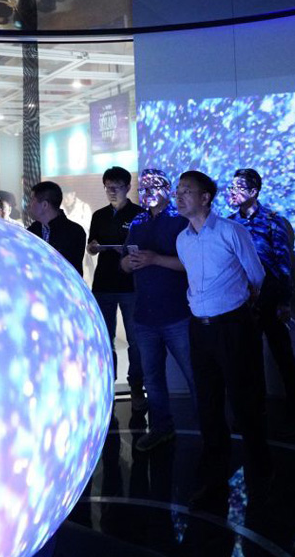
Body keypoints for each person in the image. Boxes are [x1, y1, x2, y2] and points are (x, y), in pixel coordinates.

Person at [176, 170, 270, 505]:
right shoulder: (182, 239)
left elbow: (257, 275)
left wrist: (241, 305)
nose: (179, 196)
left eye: (187, 191)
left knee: (245, 401)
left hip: (232, 325)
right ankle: (214, 475)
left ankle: (261, 471)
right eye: (178, 190)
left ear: (205, 198)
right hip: (199, 328)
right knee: (208, 403)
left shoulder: (231, 231)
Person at [121, 169, 196, 454]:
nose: (147, 192)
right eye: (143, 188)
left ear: (168, 189)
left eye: (154, 187)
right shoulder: (138, 221)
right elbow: (124, 262)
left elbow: (193, 263)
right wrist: (128, 264)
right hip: (145, 316)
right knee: (152, 378)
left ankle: (213, 430)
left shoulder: (181, 220)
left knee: (195, 374)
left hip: (177, 313)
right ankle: (161, 428)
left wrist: (156, 259)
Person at [226, 167, 295, 435]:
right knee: (248, 358)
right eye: (232, 187)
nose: (232, 192)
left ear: (254, 191)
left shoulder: (272, 221)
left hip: (270, 297)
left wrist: (284, 301)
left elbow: (283, 263)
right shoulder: (229, 223)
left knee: (282, 354)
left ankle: (294, 410)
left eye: (239, 187)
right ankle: (254, 409)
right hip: (243, 300)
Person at [86, 166, 148, 413]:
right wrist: (93, 247)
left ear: (128, 187)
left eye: (116, 187)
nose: (111, 191)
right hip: (103, 283)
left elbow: (144, 246)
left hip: (131, 284)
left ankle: (136, 386)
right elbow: (91, 245)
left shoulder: (139, 215)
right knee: (105, 337)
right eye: (108, 187)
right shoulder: (99, 215)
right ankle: (107, 384)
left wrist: (123, 249)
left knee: (135, 339)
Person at [26, 181, 87, 277]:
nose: (28, 205)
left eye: (32, 200)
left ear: (44, 205)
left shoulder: (74, 232)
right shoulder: (32, 231)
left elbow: (71, 270)